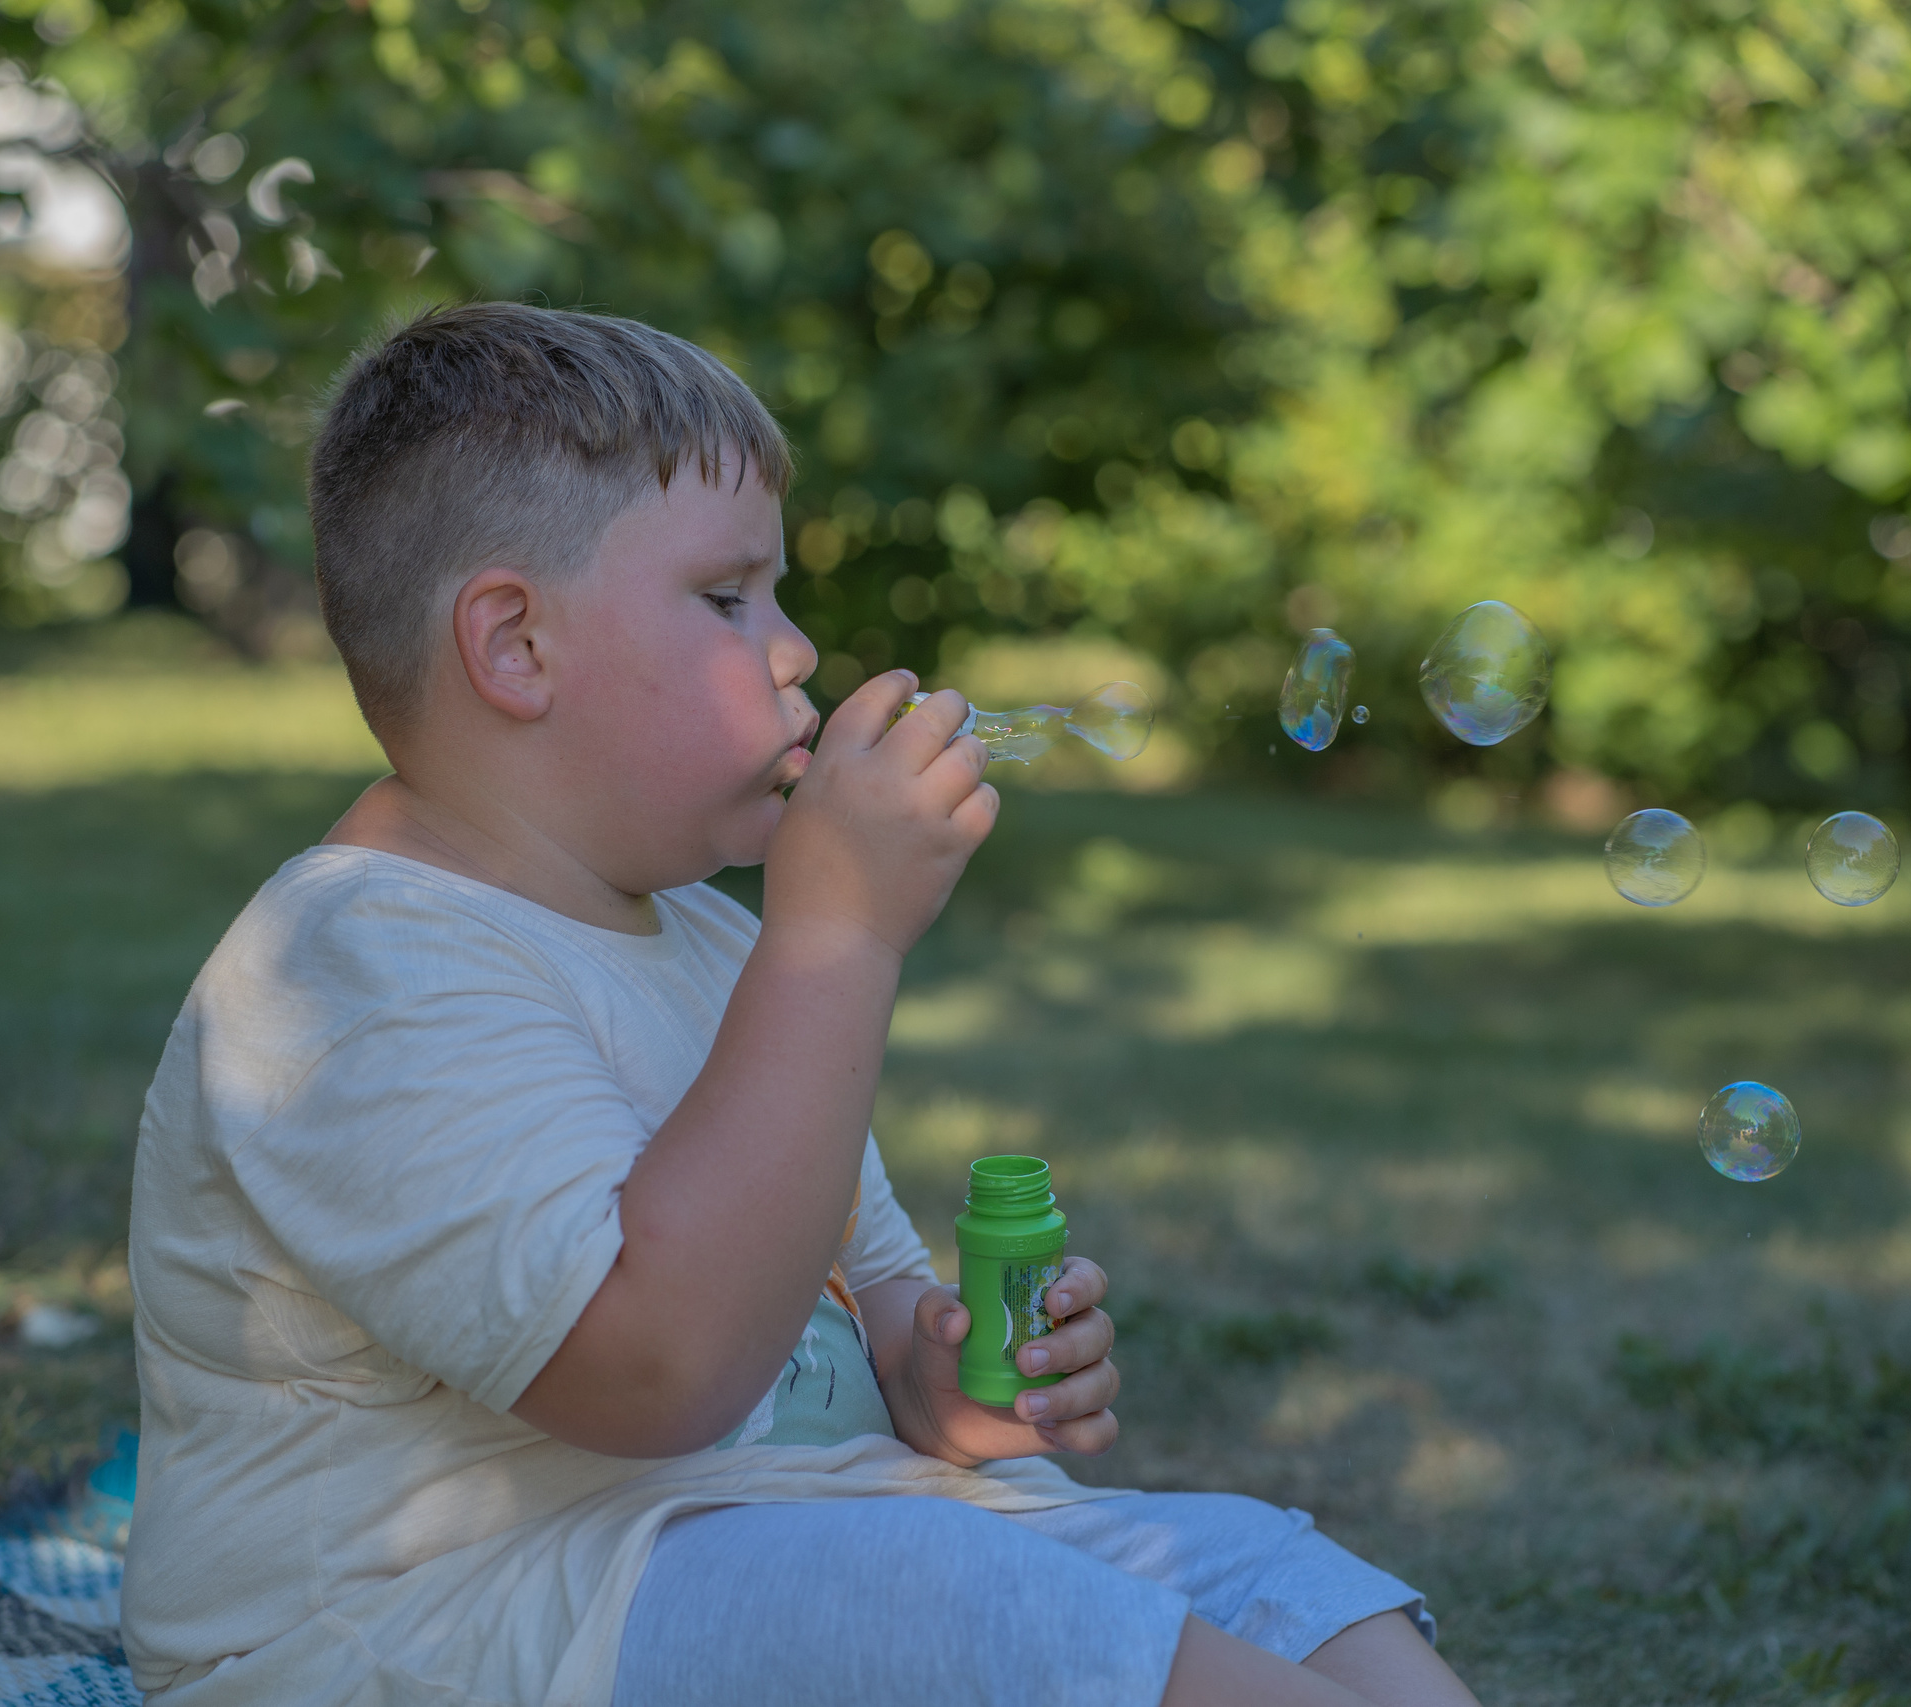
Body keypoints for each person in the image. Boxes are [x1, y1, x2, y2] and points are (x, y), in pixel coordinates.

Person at [120, 300, 1483, 1707]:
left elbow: (865, 1316)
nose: (796, 652)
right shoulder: (355, 972)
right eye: (728, 600)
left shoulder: (716, 946)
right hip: (418, 1635)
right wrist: (836, 938)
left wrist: (957, 1382)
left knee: (1265, 1571)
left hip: (755, 1557)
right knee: (950, 1603)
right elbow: (656, 1373)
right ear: (515, 647)